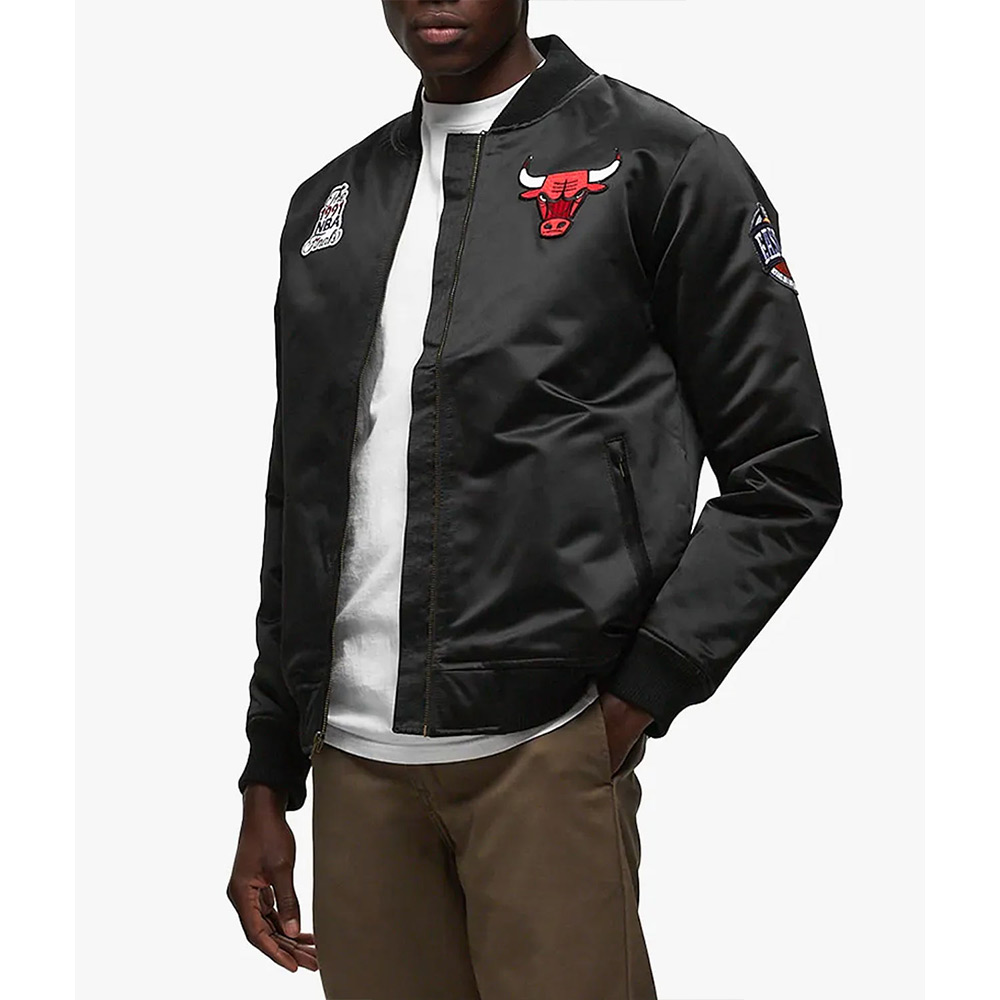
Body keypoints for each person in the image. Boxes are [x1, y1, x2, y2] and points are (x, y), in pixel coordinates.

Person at [226, 3, 842, 998]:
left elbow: (786, 474)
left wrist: (637, 694)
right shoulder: (331, 204)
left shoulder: (662, 165)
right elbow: (297, 501)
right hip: (351, 765)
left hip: (544, 749)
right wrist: (268, 772)